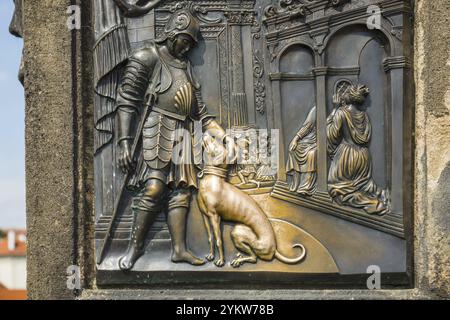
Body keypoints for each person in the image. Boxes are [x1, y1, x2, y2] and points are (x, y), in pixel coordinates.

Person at [115, 8, 232, 270]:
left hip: (183, 133)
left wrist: (222, 136)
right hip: (155, 127)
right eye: (186, 41)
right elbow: (127, 101)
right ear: (172, 33)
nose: (188, 48)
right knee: (155, 188)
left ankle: (179, 249)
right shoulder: (146, 57)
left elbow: (199, 110)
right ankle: (134, 248)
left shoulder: (185, 66)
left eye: (191, 44)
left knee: (180, 191)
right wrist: (123, 142)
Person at [326, 85, 388, 215]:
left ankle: (374, 204)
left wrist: (335, 109)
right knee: (363, 184)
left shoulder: (341, 113)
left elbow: (331, 136)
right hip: (363, 156)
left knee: (338, 190)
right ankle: (381, 194)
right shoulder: (364, 115)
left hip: (347, 156)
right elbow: (366, 138)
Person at [286, 106, 317, 196]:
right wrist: (296, 138)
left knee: (311, 154)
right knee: (293, 149)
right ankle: (296, 181)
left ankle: (306, 186)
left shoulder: (338, 111)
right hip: (310, 139)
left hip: (322, 139)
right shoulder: (315, 109)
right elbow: (308, 126)